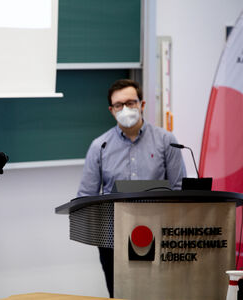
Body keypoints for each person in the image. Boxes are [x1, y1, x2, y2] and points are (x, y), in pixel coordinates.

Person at [77, 79, 186, 297]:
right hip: (113, 237)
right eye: (119, 105)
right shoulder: (100, 146)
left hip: (160, 233)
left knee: (159, 293)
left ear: (142, 104)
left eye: (131, 102)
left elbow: (180, 188)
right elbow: (86, 197)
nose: (125, 109)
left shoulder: (166, 141)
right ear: (111, 110)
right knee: (120, 294)